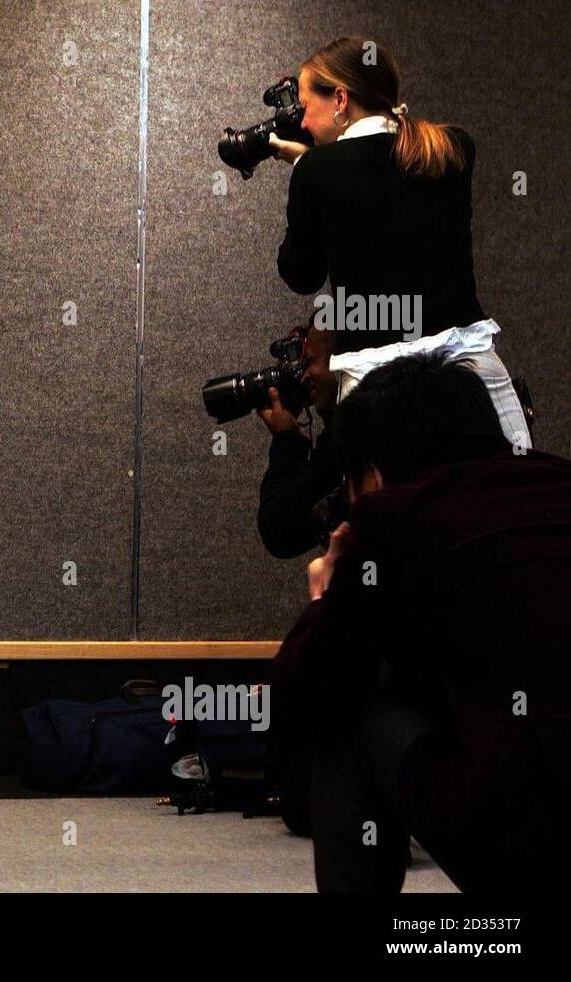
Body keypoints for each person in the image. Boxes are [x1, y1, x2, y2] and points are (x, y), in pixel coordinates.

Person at [269, 352, 571, 891]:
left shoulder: (394, 517)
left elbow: (300, 695)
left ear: (374, 477)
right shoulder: (555, 481)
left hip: (532, 834)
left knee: (347, 707)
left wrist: (324, 598)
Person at [269, 36, 531, 450]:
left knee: (389, 514)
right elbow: (383, 181)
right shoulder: (452, 148)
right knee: (507, 501)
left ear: (340, 99)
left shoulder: (316, 170)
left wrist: (304, 170)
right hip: (471, 370)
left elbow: (300, 273)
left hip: (375, 383)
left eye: (305, 107)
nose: (301, 123)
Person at [256, 315, 341, 558]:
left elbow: (281, 529)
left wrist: (287, 441)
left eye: (310, 362)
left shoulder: (349, 436)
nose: (303, 377)